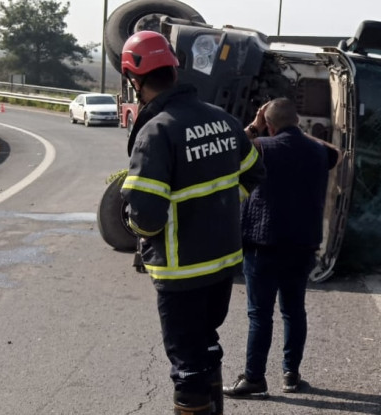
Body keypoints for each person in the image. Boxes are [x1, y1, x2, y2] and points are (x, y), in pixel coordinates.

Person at [119, 31, 266, 415]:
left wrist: (139, 229)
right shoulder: (223, 120)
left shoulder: (156, 130)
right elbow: (254, 171)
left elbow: (146, 216)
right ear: (173, 68)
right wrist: (219, 208)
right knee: (207, 345)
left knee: (187, 367)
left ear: (135, 80)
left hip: (181, 271)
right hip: (222, 263)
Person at [223, 97, 341, 399]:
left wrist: (254, 125)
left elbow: (231, 149)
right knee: (293, 311)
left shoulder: (261, 146)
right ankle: (290, 375)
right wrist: (295, 130)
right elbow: (336, 154)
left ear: (269, 125)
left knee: (260, 315)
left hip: (263, 244)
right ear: (298, 122)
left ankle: (254, 378)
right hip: (302, 245)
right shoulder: (317, 152)